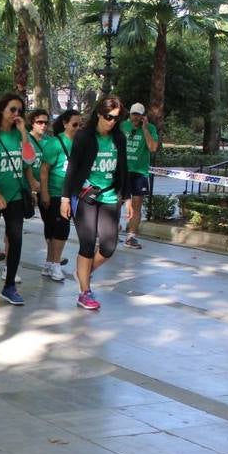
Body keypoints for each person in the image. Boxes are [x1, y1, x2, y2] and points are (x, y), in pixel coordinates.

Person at [61, 96, 130, 311]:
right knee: (87, 245)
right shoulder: (84, 137)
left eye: (116, 119)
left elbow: (123, 168)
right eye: (108, 117)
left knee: (109, 247)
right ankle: (84, 291)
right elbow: (72, 169)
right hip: (86, 197)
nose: (112, 122)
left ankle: (83, 271)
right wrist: (65, 198)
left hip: (110, 197)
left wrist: (127, 198)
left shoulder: (119, 139)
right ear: (99, 114)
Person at [0, 93, 36, 306]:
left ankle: (9, 286)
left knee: (16, 239)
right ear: (1, 109)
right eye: (12, 109)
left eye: (20, 110)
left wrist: (24, 134)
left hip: (17, 196)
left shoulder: (21, 134)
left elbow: (29, 160)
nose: (16, 114)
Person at [38, 109, 82, 282]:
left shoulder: (80, 142)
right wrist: (45, 193)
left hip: (72, 192)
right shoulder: (55, 143)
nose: (78, 128)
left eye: (80, 125)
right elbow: (44, 170)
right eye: (74, 124)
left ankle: (50, 263)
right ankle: (55, 263)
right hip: (56, 192)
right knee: (59, 229)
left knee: (57, 229)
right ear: (65, 123)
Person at [122, 102, 160, 249]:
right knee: (115, 202)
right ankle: (109, 231)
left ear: (143, 116)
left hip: (139, 172)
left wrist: (144, 128)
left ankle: (131, 237)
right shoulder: (123, 126)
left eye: (138, 115)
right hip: (123, 171)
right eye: (133, 114)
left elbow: (152, 147)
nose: (135, 118)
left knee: (137, 206)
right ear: (129, 114)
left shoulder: (150, 128)